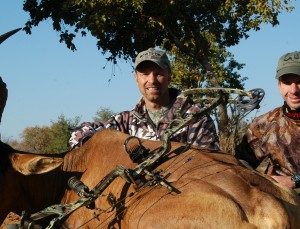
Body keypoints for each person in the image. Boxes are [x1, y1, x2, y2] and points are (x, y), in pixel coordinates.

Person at [68, 48, 219, 150]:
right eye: (145, 74)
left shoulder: (196, 118)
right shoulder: (125, 121)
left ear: (169, 76)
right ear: (136, 78)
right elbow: (79, 132)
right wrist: (90, 143)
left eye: (158, 73)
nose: (151, 80)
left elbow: (206, 167)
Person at [235, 51, 300, 189]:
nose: (294, 90)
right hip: (278, 204)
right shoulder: (264, 124)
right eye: (287, 82)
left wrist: (294, 180)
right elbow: (240, 166)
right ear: (279, 85)